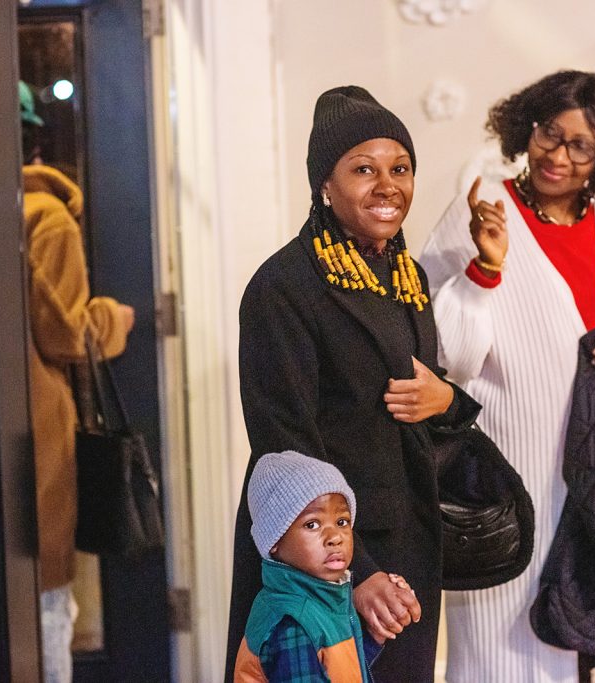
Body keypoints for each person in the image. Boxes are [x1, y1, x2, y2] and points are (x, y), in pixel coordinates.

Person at [419, 70, 595, 683]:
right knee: (499, 653)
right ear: (526, 129)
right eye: (548, 134)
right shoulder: (481, 212)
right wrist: (484, 270)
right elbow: (444, 357)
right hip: (510, 478)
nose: (558, 157)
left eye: (580, 145)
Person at [226, 85, 481, 683]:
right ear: (325, 184)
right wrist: (353, 569)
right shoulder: (283, 287)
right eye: (364, 169)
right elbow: (283, 446)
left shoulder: (407, 276)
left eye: (400, 169)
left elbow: (418, 400)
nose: (387, 185)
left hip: (408, 543)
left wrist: (447, 399)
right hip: (321, 560)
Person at [20, 81, 135, 682]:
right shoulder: (47, 219)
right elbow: (64, 335)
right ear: (36, 147)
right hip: (32, 434)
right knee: (45, 608)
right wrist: (113, 318)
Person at [235, 450, 390, 682]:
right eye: (312, 525)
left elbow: (337, 670)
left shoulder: (324, 600)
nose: (335, 537)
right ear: (274, 540)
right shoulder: (293, 625)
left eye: (342, 521)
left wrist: (372, 638)